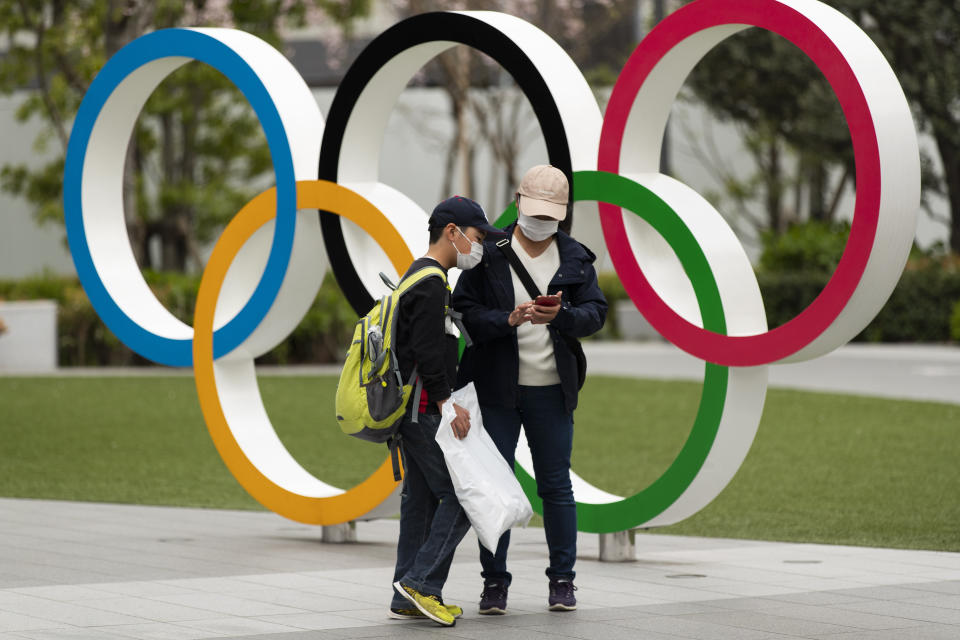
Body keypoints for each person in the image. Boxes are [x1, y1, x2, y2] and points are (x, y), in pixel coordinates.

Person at [452, 165, 607, 614]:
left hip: (552, 389)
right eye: (534, 210)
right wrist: (508, 320)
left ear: (562, 214)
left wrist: (561, 316)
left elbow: (595, 314)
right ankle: (494, 583)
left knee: (556, 486)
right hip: (495, 389)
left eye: (550, 214)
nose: (540, 221)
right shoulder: (490, 252)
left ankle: (563, 581)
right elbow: (463, 309)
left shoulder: (576, 256)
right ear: (517, 202)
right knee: (493, 485)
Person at [389, 195, 503, 627]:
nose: (479, 247)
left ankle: (405, 593)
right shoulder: (432, 281)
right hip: (424, 410)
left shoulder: (418, 275)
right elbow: (427, 351)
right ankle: (421, 585)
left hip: (411, 410)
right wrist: (445, 403)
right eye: (475, 238)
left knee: (418, 501)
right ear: (452, 233)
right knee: (461, 498)